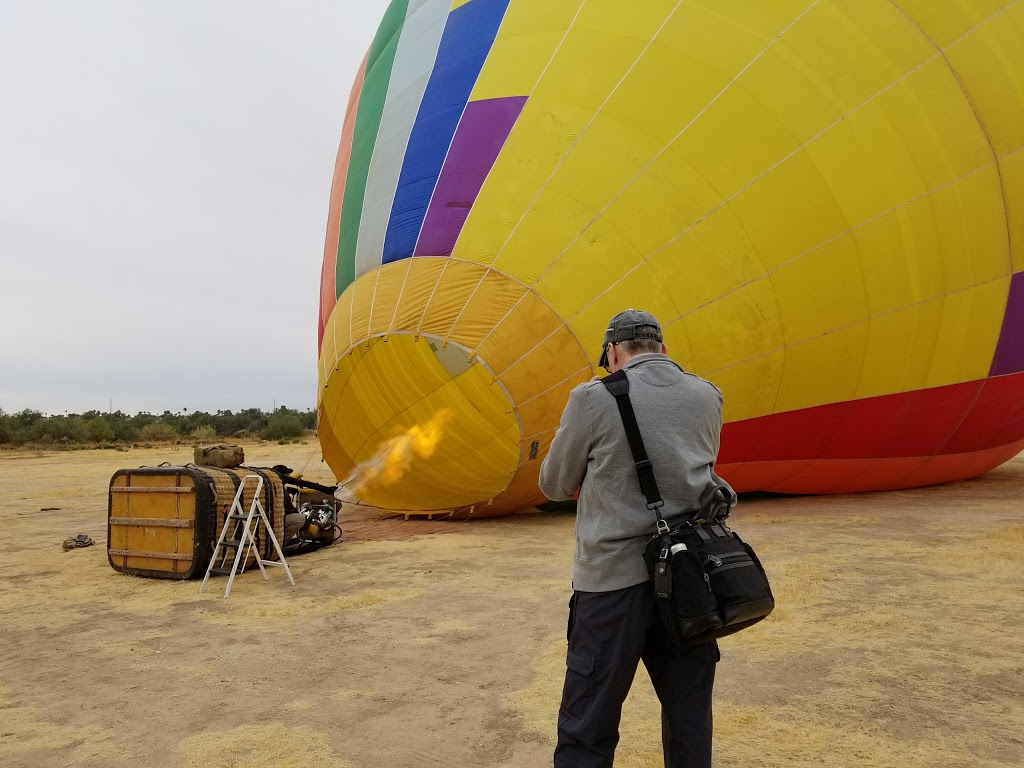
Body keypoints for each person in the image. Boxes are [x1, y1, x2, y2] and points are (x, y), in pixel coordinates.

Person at [539, 309, 733, 768]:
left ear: (612, 352)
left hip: (612, 584)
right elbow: (695, 474)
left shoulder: (592, 398)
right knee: (689, 717)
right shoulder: (707, 395)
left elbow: (553, 484)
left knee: (588, 723)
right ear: (662, 349)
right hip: (689, 581)